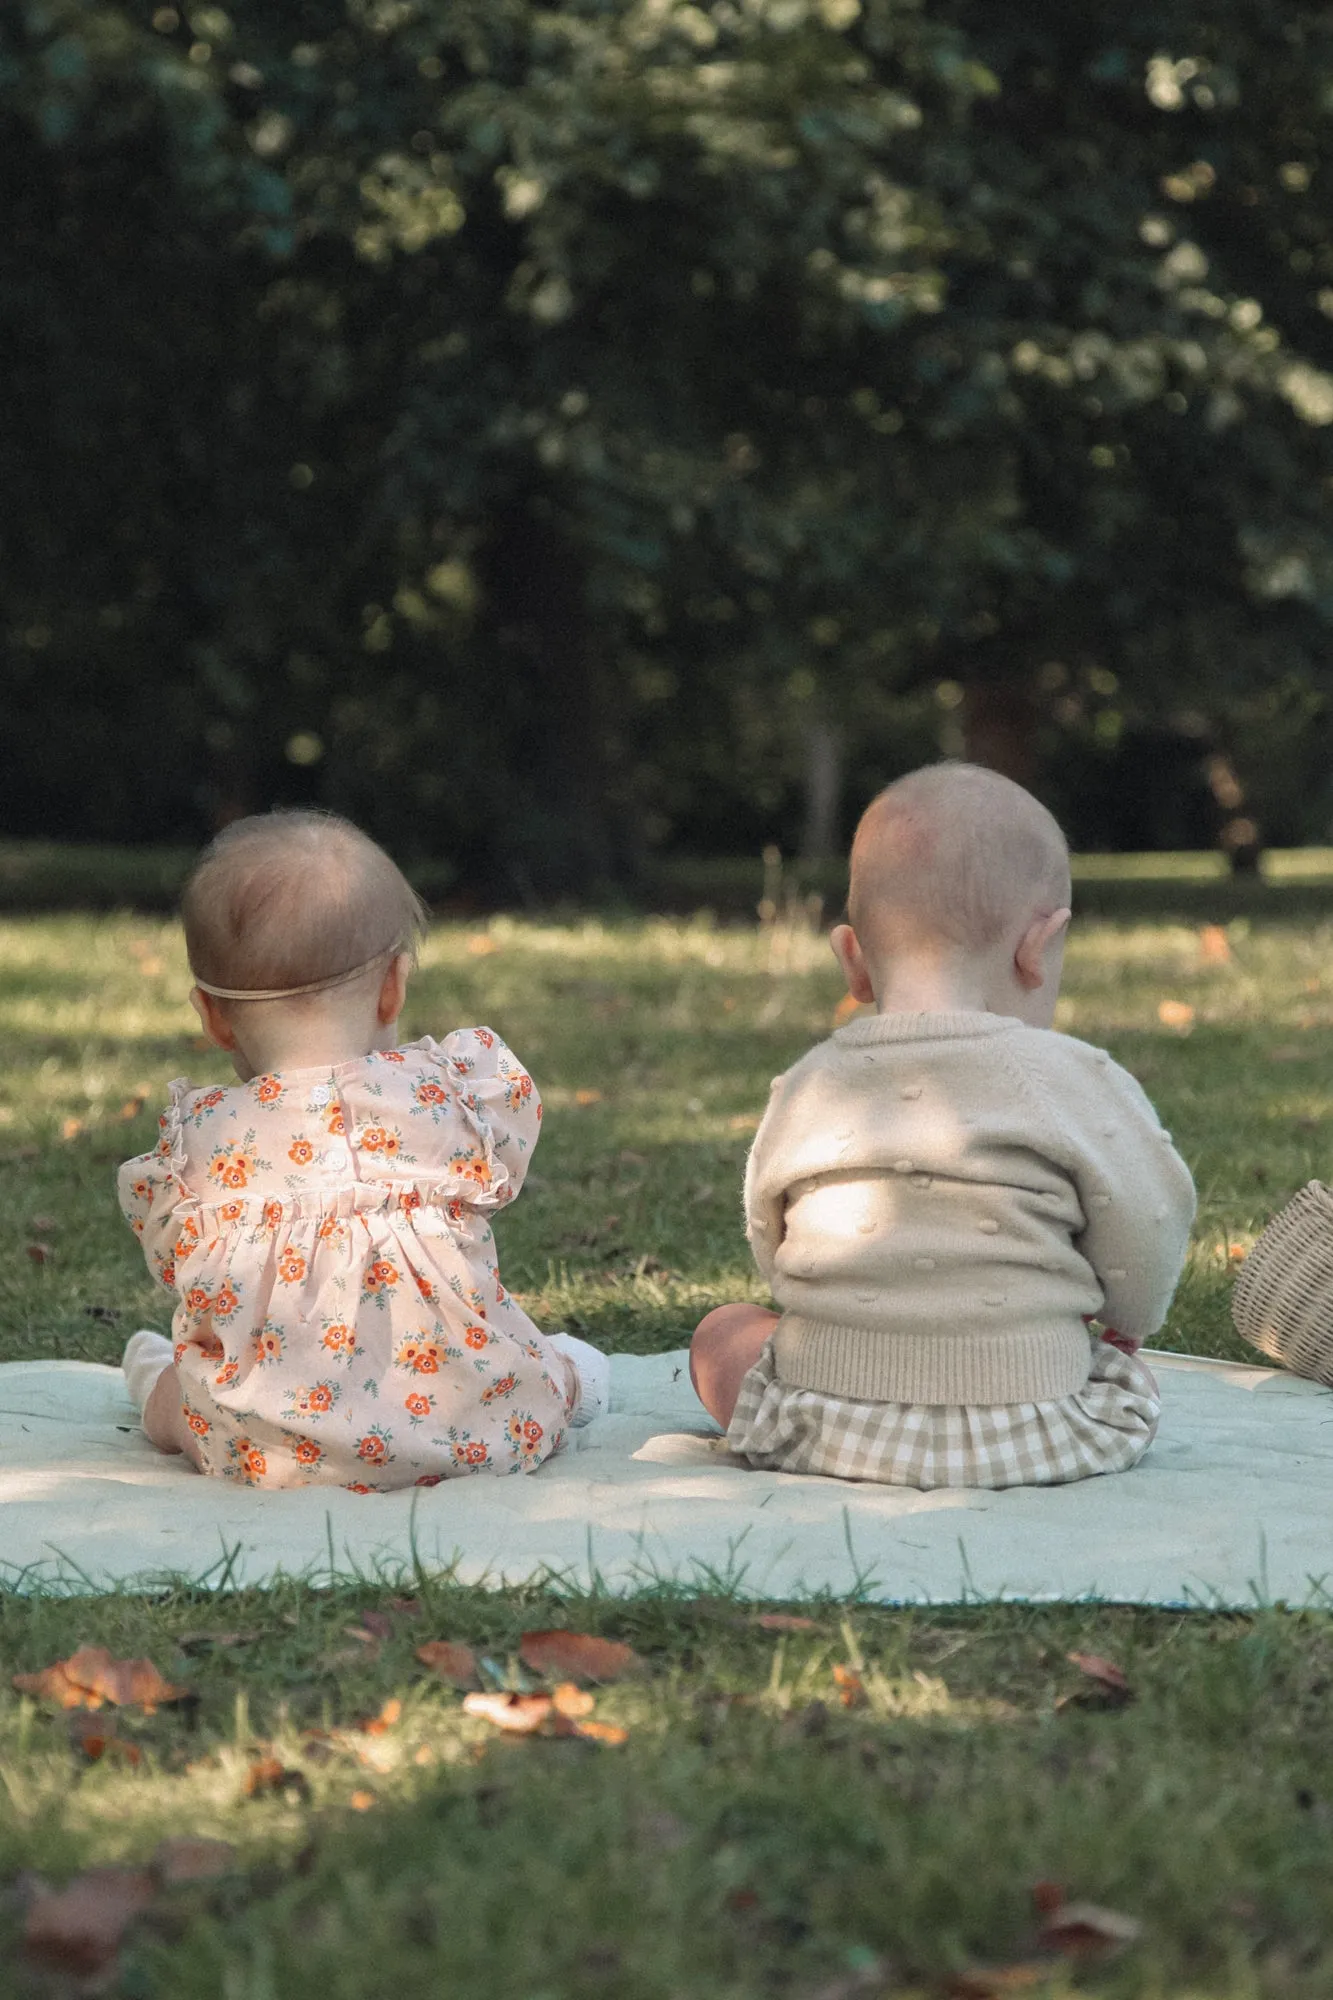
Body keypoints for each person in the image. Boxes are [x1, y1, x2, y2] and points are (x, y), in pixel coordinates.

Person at [690, 763, 1196, 1488]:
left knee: (722, 1332)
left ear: (852, 960)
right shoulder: (1073, 1080)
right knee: (1125, 1370)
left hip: (825, 1427)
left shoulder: (810, 1084)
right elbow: (1149, 1229)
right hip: (1038, 1428)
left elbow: (772, 1245)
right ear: (1038, 946)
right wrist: (1126, 1322)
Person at [118, 809, 607, 1491]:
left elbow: (177, 1264)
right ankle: (577, 1377)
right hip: (468, 1428)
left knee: (185, 1394)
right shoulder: (454, 1095)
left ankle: (149, 1383)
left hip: (272, 1449)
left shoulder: (201, 1143)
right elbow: (509, 1161)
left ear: (212, 1016)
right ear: (393, 987)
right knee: (540, 1371)